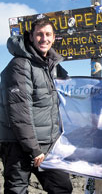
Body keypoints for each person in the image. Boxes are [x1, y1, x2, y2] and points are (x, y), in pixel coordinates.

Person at [0, 18, 73, 193]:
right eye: (39, 34)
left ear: (54, 38)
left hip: (46, 143)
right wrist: (34, 149)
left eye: (48, 34)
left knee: (62, 187)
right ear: (31, 37)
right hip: (18, 144)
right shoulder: (20, 64)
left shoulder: (51, 66)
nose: (44, 39)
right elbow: (19, 112)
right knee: (17, 189)